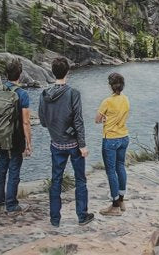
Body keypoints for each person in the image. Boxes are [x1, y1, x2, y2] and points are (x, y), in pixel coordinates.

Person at [39, 57, 94, 227]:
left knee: (56, 180)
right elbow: (78, 121)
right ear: (67, 72)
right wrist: (83, 145)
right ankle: (82, 216)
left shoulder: (44, 94)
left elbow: (42, 121)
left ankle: (55, 219)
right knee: (80, 180)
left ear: (53, 72)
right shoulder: (73, 93)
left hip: (56, 144)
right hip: (74, 146)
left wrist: (55, 129)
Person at [0, 59, 32, 215]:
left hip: (0, 135)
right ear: (20, 75)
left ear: (6, 74)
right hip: (15, 138)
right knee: (14, 169)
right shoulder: (22, 94)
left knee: (2, 166)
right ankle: (12, 205)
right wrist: (28, 143)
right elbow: (26, 122)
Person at [95, 72, 130, 216]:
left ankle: (114, 206)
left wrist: (104, 118)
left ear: (110, 85)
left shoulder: (107, 101)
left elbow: (97, 119)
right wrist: (108, 118)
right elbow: (121, 116)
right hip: (124, 137)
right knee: (120, 166)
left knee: (111, 171)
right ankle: (121, 199)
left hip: (110, 139)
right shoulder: (126, 99)